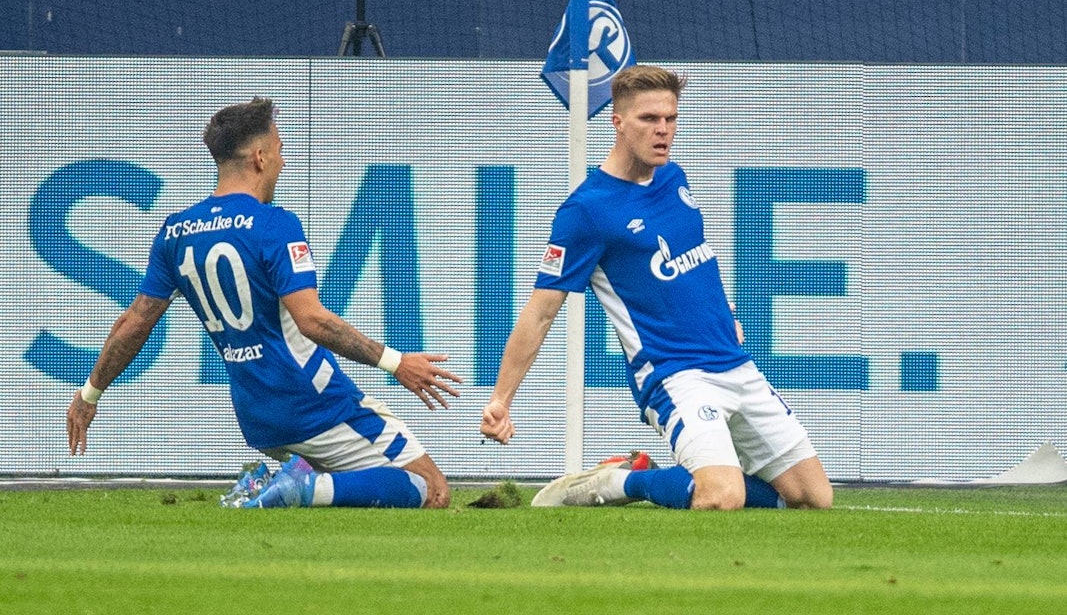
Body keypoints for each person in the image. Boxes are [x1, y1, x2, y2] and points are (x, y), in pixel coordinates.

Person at [66, 97, 462, 509]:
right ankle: (299, 487)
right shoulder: (274, 224)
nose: (283, 163)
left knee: (356, 489)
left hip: (257, 415)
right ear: (259, 157)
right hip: (315, 403)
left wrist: (90, 394)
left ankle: (276, 484)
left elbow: (134, 322)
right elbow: (312, 321)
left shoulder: (176, 232)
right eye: (279, 150)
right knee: (431, 489)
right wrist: (397, 363)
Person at [480, 65, 833, 510]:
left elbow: (698, 256)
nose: (663, 129)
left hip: (734, 362)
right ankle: (623, 481)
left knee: (813, 499)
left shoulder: (672, 177)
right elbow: (541, 311)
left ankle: (671, 476)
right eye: (649, 119)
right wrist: (501, 400)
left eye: (670, 118)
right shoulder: (587, 211)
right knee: (722, 496)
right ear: (618, 122)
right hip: (676, 376)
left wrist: (727, 313)